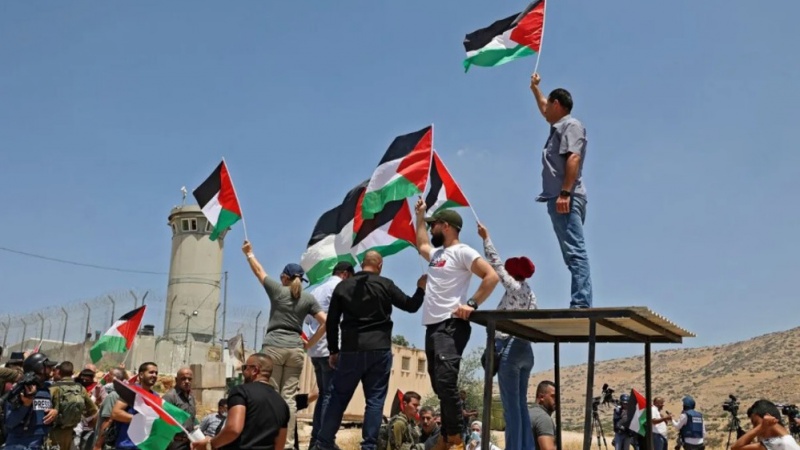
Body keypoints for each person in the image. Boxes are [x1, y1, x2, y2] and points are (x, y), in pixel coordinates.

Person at [315, 250, 426, 450]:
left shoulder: (343, 286)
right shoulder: (386, 284)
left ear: (361, 265)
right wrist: (421, 289)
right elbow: (411, 305)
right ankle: (368, 446)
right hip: (379, 349)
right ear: (380, 265)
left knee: (338, 397)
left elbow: (332, 321)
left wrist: (333, 350)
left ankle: (323, 443)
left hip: (350, 350)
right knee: (374, 401)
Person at [414, 200, 500, 450]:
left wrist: (472, 303)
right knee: (438, 384)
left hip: (451, 325)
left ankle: (454, 438)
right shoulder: (438, 254)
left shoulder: (463, 251)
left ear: (447, 226)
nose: (431, 230)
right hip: (432, 327)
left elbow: (491, 276)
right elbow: (421, 244)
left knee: (446, 381)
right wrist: (420, 216)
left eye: (434, 225)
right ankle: (449, 434)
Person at [243, 240, 326, 450]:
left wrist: (249, 253)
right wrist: (309, 344)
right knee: (288, 398)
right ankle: (286, 444)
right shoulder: (307, 298)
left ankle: (268, 440)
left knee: (270, 394)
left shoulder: (278, 291)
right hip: (295, 349)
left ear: (284, 278)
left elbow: (259, 271)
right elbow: (326, 321)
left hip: (273, 348)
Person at [529, 72, 593, 309]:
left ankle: (581, 303)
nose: (545, 111)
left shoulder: (571, 125)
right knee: (571, 255)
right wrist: (535, 88)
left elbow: (573, 158)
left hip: (566, 197)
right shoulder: (560, 125)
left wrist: (565, 193)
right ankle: (581, 300)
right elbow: (544, 107)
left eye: (549, 106)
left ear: (558, 104)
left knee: (575, 253)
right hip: (559, 198)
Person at [476, 223, 536, 450]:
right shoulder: (531, 294)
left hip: (509, 347)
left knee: (511, 408)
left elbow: (496, 265)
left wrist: (486, 238)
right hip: (526, 349)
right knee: (520, 405)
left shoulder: (513, 287)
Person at [190, 353, 290, 450]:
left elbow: (233, 429)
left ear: (255, 370)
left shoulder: (241, 391)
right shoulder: (282, 403)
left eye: (245, 368)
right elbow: (280, 444)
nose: (243, 372)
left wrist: (210, 444)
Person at [306, 261, 354, 449]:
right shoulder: (339, 287)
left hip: (315, 349)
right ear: (345, 274)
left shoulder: (317, 289)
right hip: (330, 348)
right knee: (330, 396)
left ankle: (316, 440)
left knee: (324, 394)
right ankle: (323, 441)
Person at [4, 352, 59, 450]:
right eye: (48, 367)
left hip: (39, 443)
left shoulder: (46, 389)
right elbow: (9, 422)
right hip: (19, 445)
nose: (52, 369)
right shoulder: (20, 389)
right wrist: (26, 405)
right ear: (39, 368)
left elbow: (42, 413)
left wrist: (54, 412)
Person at [49, 361, 98, 450]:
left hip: (54, 431)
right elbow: (93, 409)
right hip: (71, 431)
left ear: (59, 372)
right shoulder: (80, 388)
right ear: (72, 373)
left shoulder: (53, 388)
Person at [110, 362, 160, 450]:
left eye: (156, 373)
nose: (154, 375)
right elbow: (116, 413)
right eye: (151, 372)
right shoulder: (131, 391)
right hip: (127, 445)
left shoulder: (155, 397)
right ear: (141, 375)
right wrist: (140, 420)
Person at [732, 400, 800, 450]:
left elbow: (736, 448)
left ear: (767, 418)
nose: (755, 428)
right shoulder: (785, 440)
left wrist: (761, 427)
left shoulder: (777, 443)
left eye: (756, 423)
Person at [163, 367, 197, 450]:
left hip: (189, 443)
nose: (187, 381)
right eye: (183, 379)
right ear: (176, 380)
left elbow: (192, 419)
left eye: (189, 379)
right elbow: (163, 422)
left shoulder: (191, 397)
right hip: (175, 444)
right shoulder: (170, 397)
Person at [529, 381, 557, 450]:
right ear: (541, 397)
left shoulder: (526, 414)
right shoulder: (543, 418)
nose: (556, 400)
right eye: (553, 396)